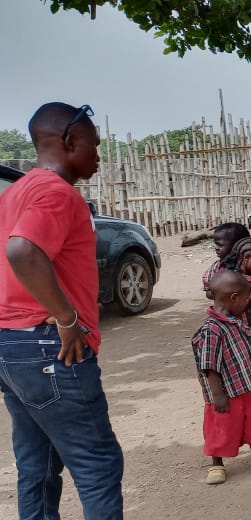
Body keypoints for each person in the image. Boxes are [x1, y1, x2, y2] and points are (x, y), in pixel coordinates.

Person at [0, 102, 124, 518]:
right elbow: (21, 251)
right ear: (69, 141)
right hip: (50, 347)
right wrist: (68, 319)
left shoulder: (15, 193)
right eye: (94, 144)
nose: (98, 155)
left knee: (38, 465)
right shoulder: (57, 193)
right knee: (97, 466)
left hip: (12, 347)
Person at [192, 271, 251, 485]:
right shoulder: (211, 330)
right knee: (220, 428)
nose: (247, 305)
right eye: (246, 299)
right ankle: (217, 464)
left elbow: (248, 335)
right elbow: (209, 366)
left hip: (248, 385)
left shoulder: (234, 321)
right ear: (234, 298)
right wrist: (217, 394)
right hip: (226, 392)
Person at [202, 222, 251, 297]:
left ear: (236, 245)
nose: (216, 248)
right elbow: (208, 291)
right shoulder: (217, 267)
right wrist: (223, 294)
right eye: (216, 244)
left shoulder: (250, 264)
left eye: (220, 245)